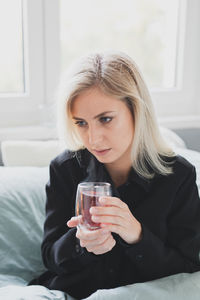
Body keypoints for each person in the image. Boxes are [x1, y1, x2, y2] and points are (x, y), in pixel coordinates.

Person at [29, 51, 200, 299]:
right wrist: (80, 243)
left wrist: (138, 237)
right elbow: (50, 257)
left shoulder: (178, 175)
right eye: (81, 123)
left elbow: (188, 268)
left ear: (137, 111)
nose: (93, 139)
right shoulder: (65, 169)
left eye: (105, 119)